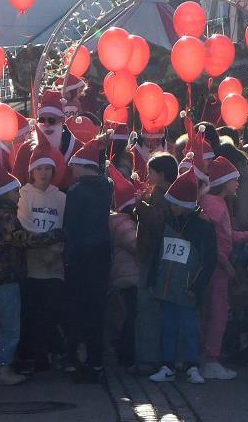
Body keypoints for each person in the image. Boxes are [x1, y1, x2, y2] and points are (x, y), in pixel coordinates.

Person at [0, 147, 62, 386]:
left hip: (3, 274)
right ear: (6, 193)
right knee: (10, 324)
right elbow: (19, 238)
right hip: (4, 275)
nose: (19, 195)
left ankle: (6, 364)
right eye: (15, 191)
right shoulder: (1, 214)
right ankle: (2, 368)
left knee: (10, 321)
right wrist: (53, 236)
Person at [148, 168, 217, 384]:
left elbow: (209, 261)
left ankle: (192, 365)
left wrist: (197, 287)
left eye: (177, 204)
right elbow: (157, 253)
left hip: (188, 289)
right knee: (167, 327)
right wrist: (153, 279)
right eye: (172, 203)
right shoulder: (166, 223)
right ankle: (167, 365)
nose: (172, 207)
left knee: (190, 329)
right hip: (166, 288)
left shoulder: (203, 227)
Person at [198, 156, 248, 379]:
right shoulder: (214, 205)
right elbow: (215, 241)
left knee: (211, 312)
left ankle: (205, 356)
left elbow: (227, 235)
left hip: (215, 265)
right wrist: (226, 265)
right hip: (217, 268)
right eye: (235, 179)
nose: (238, 184)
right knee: (219, 313)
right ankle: (212, 359)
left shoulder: (216, 203)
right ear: (224, 182)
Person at [16, 128, 68, 372]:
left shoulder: (61, 198)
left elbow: (64, 224)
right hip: (33, 263)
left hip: (55, 264)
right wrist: (42, 243)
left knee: (52, 312)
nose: (44, 173)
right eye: (40, 168)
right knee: (32, 312)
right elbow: (24, 223)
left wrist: (55, 248)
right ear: (32, 171)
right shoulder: (24, 195)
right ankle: (35, 355)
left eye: (48, 168)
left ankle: (49, 353)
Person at [63, 138, 115, 382]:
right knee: (97, 310)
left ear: (83, 165)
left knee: (76, 309)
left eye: (74, 165)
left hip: (80, 255)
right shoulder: (107, 186)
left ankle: (77, 360)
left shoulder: (76, 191)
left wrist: (67, 257)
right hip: (102, 253)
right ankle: (96, 362)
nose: (71, 169)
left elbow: (70, 227)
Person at [134, 152, 178, 371]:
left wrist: (139, 206)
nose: (148, 176)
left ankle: (149, 359)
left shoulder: (162, 196)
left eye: (151, 172)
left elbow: (158, 223)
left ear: (161, 174)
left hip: (153, 258)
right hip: (157, 257)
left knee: (149, 310)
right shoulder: (163, 194)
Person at [108, 166, 141, 370]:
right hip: (129, 277)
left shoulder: (118, 221)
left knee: (126, 316)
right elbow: (136, 245)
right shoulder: (124, 224)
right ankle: (127, 355)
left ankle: (125, 352)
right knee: (131, 317)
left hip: (124, 276)